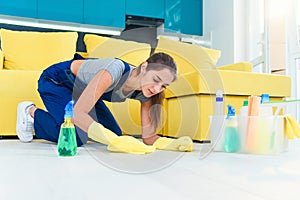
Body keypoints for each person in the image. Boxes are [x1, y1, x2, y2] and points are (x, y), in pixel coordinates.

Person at [16, 52, 193, 153]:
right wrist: (113, 141)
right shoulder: (114, 70)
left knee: (114, 132)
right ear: (145, 67)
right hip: (57, 81)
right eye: (156, 79)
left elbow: (148, 138)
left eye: (163, 85)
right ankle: (30, 111)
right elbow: (78, 113)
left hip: (82, 91)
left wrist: (171, 144)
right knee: (75, 137)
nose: (157, 88)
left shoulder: (148, 94)